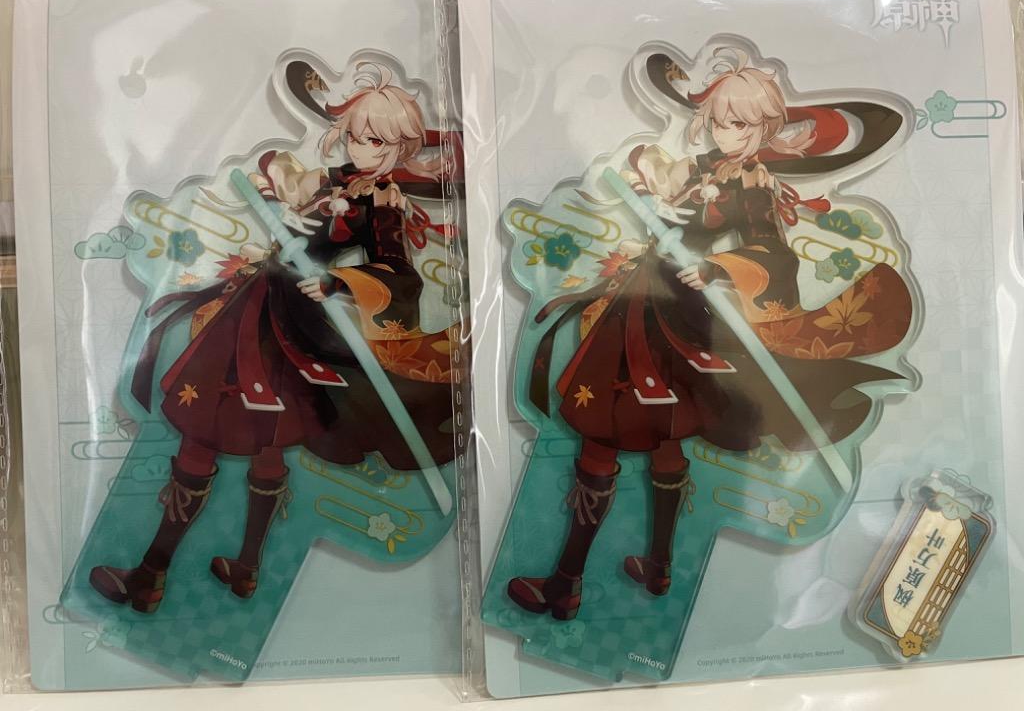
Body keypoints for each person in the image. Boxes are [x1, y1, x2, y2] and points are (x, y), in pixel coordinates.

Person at [507, 48, 913, 620]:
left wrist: (717, 267)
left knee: (614, 432)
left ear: (765, 129)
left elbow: (775, 253)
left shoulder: (753, 184)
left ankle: (570, 582)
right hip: (645, 298)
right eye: (723, 122)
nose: (730, 134)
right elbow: (652, 181)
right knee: (661, 435)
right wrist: (644, 179)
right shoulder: (701, 168)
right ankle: (646, 569)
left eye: (743, 125)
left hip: (680, 312)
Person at [90, 63, 457, 612]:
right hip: (255, 300)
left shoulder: (380, 206)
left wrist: (337, 281)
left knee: (238, 430)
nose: (362, 148)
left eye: (377, 142)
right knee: (233, 425)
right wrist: (270, 194)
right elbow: (278, 181)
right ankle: (207, 571)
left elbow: (401, 275)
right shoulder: (329, 181)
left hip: (296, 319)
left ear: (400, 148)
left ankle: (175, 573)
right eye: (356, 136)